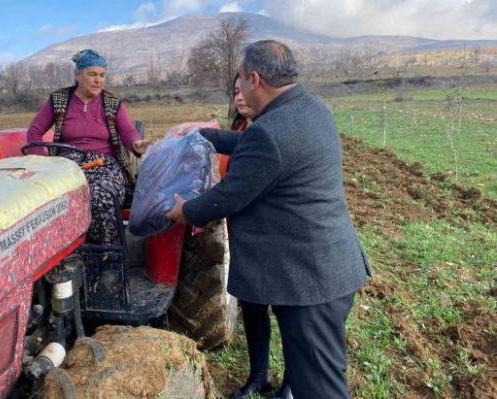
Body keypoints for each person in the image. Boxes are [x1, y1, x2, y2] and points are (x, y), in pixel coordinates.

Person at [166, 40, 371, 399]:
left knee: (321, 388)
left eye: (241, 80)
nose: (240, 89)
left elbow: (228, 197)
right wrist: (203, 135)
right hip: (329, 268)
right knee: (315, 371)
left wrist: (186, 211)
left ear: (255, 79)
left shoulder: (269, 132)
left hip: (309, 282)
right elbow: (254, 148)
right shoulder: (309, 108)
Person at [27, 49, 149, 244]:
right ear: (78, 74)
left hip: (105, 165)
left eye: (102, 75)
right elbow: (34, 132)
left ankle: (110, 257)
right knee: (47, 202)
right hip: (67, 167)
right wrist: (42, 166)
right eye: (92, 74)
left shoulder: (112, 103)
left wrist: (136, 143)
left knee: (102, 196)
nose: (98, 81)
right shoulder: (59, 100)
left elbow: (127, 132)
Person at [224, 74, 293, 399]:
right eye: (234, 92)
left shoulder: (275, 128)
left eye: (243, 90)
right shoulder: (241, 129)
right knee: (252, 306)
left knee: (288, 311)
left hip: (277, 240)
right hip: (246, 236)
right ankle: (259, 376)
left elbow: (233, 190)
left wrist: (192, 210)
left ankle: (291, 384)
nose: (239, 97)